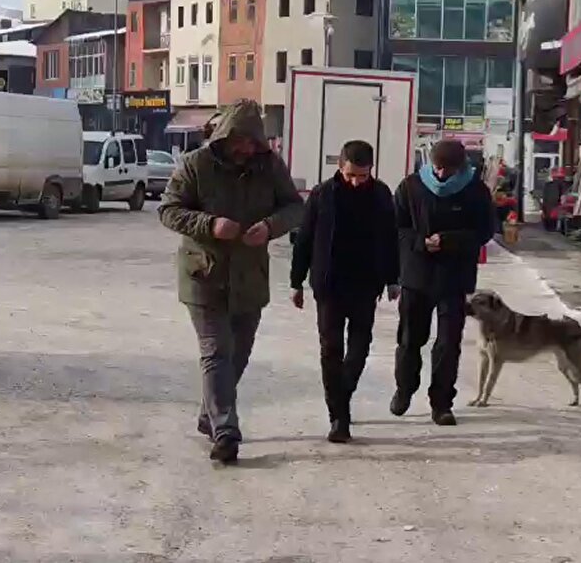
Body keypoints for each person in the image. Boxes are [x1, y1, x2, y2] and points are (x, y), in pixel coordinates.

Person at [159, 99, 303, 464]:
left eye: (253, 142)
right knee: (217, 351)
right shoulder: (195, 165)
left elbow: (294, 207)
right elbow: (169, 210)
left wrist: (270, 226)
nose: (246, 148)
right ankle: (225, 431)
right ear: (225, 136)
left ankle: (209, 414)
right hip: (203, 275)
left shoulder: (270, 166)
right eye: (240, 140)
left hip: (249, 277)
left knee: (239, 353)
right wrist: (209, 225)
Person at [289, 140, 400, 444]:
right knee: (331, 349)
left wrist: (393, 279)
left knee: (359, 348)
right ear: (340, 167)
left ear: (371, 170)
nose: (355, 182)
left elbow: (391, 238)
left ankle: (343, 393)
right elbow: (305, 238)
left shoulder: (381, 195)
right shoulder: (322, 194)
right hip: (329, 284)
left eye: (362, 176)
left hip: (366, 283)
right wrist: (296, 281)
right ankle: (338, 416)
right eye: (351, 175)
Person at [391, 139, 494, 426]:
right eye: (436, 168)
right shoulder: (411, 186)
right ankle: (404, 388)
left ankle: (441, 403)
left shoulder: (475, 190)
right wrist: (419, 242)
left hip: (454, 278)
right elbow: (396, 227)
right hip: (417, 275)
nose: (440, 175)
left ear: (460, 167)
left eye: (447, 170)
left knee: (448, 343)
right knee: (410, 339)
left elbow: (485, 231)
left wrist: (449, 241)